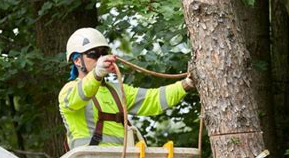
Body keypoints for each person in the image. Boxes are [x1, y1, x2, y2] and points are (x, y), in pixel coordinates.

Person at [59, 27, 194, 150]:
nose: (101, 58)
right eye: (94, 54)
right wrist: (96, 74)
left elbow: (154, 99)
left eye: (104, 53)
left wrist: (185, 84)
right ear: (77, 61)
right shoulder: (69, 91)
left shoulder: (117, 91)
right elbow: (80, 95)